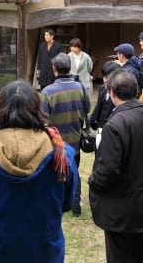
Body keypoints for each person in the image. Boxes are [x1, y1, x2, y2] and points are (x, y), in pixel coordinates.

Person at [0, 81, 77, 262]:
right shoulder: (61, 153)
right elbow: (66, 203)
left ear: (0, 108)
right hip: (42, 249)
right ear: (37, 109)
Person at [89, 69, 143, 263]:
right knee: (142, 256)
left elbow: (107, 170)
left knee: (119, 257)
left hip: (122, 209)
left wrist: (94, 183)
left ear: (112, 93)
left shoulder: (115, 124)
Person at [40, 53, 89, 216]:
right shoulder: (80, 87)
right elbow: (87, 108)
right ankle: (76, 205)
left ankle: (58, 204)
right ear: (70, 68)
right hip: (75, 138)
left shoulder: (48, 91)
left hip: (55, 143)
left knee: (55, 173)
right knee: (74, 170)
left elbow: (42, 118)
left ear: (54, 69)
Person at [88, 60, 121, 131]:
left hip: (114, 127)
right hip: (101, 125)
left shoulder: (120, 93)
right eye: (104, 77)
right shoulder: (102, 88)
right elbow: (98, 107)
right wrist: (89, 123)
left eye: (108, 77)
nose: (105, 80)